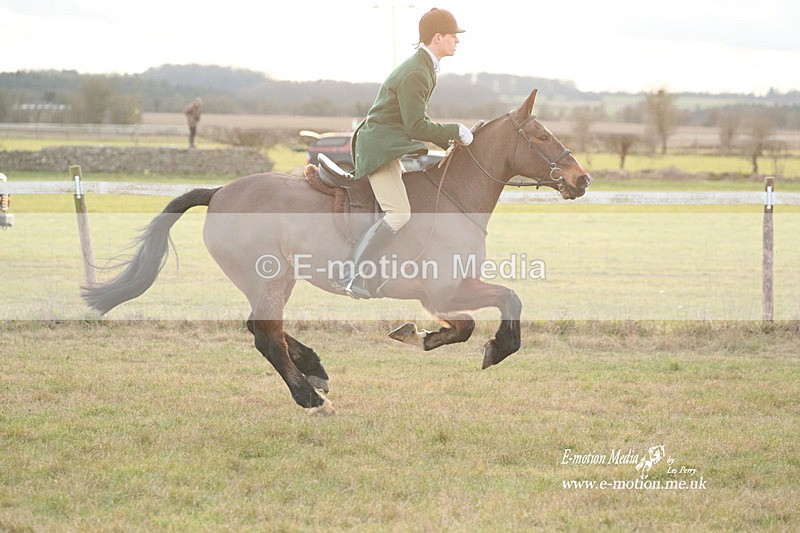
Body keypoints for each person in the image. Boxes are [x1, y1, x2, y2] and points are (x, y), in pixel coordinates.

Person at [337, 7, 473, 299]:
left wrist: (448, 138)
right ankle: (352, 274)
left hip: (388, 143)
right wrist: (453, 131)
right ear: (437, 38)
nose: (457, 42)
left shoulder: (423, 66)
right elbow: (416, 124)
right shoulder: (416, 71)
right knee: (399, 213)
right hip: (380, 147)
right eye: (453, 36)